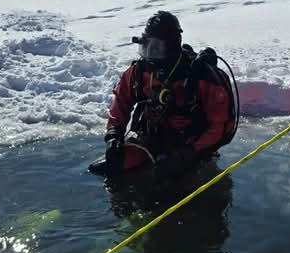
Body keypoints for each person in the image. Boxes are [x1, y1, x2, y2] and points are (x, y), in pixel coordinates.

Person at [89, 11, 238, 183]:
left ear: (172, 47)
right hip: (150, 139)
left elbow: (219, 126)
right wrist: (114, 136)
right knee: (105, 168)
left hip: (189, 147)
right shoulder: (139, 72)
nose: (150, 54)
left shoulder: (201, 78)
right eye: (146, 46)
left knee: (165, 188)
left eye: (157, 48)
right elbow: (121, 103)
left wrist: (189, 153)